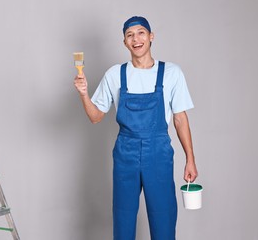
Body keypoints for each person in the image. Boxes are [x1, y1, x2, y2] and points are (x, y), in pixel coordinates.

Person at [73, 16, 198, 240]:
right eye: (129, 35)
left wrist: (190, 158)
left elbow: (180, 118)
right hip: (125, 153)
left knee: (164, 218)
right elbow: (95, 117)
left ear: (151, 37)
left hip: (158, 153)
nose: (136, 38)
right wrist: (83, 94)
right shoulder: (115, 74)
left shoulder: (171, 73)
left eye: (141, 32)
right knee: (123, 218)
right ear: (124, 42)